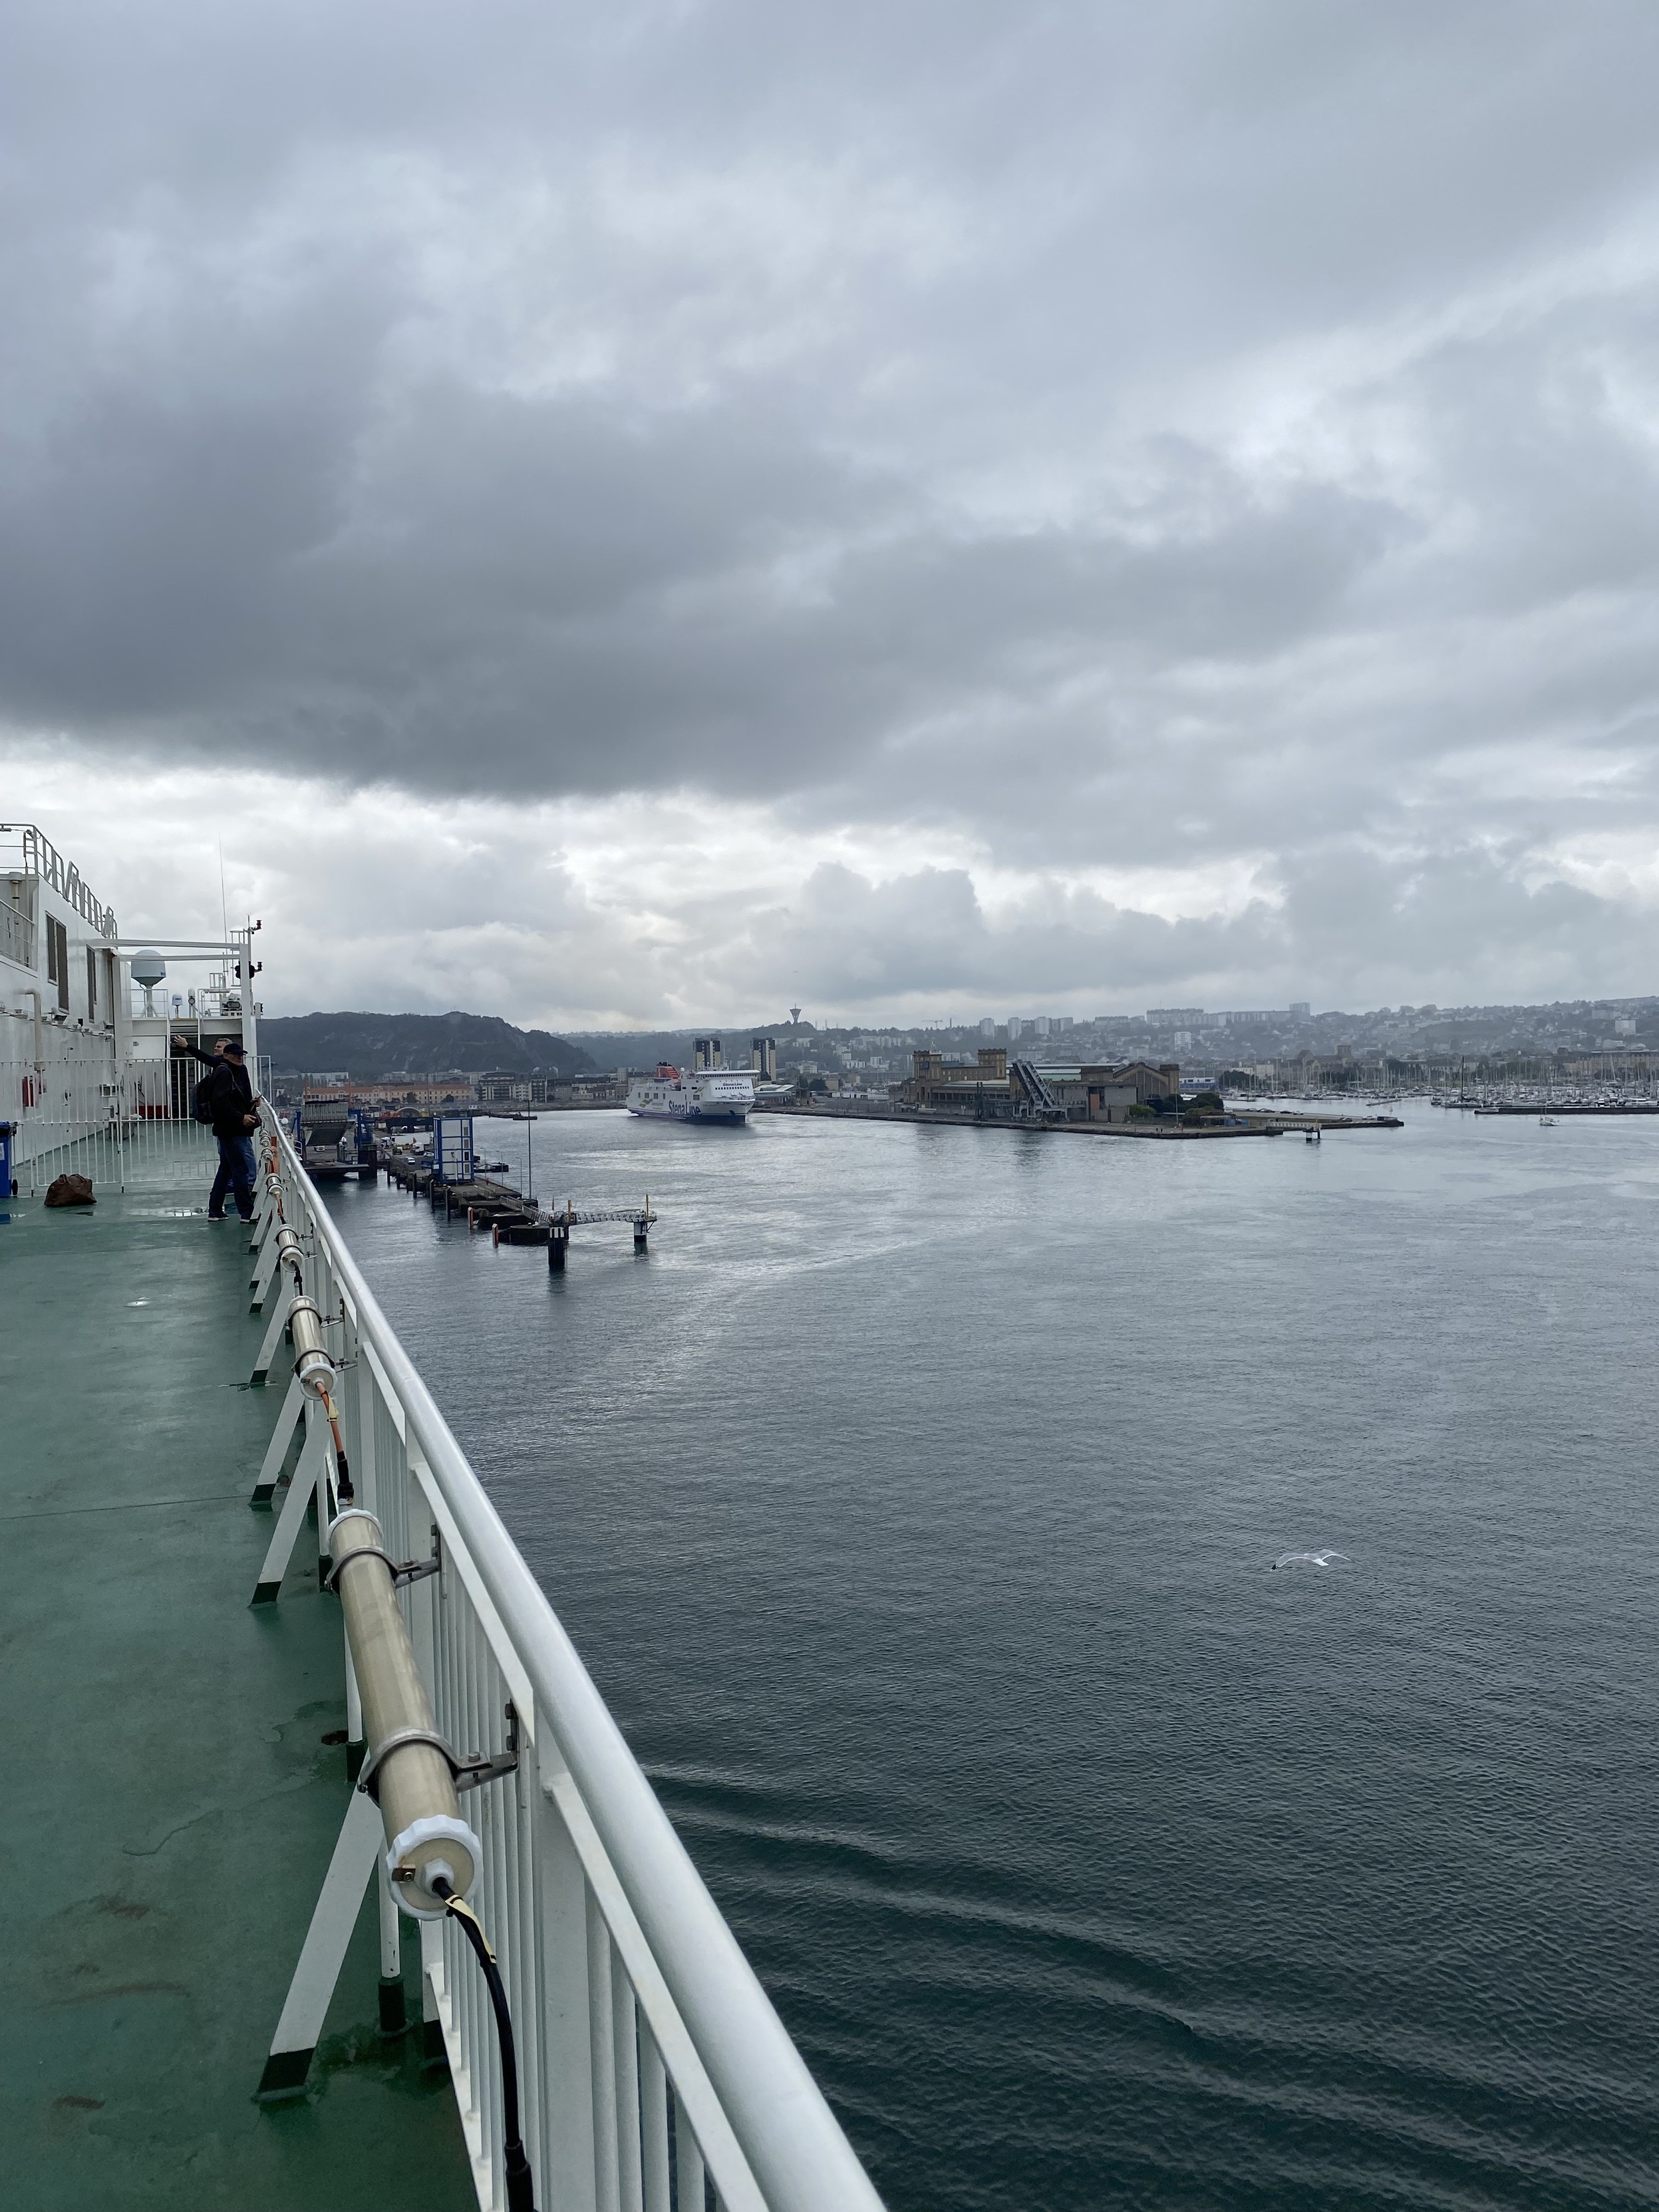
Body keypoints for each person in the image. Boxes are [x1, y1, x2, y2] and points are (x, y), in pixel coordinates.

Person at [173, 1034, 259, 1220]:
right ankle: (246, 1213)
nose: (240, 1057)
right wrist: (241, 1117)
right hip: (230, 1129)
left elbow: (237, 1097)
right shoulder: (224, 1072)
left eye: (241, 1055)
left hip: (229, 1129)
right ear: (227, 1056)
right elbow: (221, 1102)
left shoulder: (235, 1070)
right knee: (240, 1170)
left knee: (226, 1170)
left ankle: (215, 1211)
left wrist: (250, 1105)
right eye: (236, 1055)